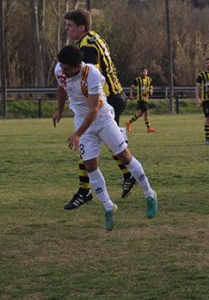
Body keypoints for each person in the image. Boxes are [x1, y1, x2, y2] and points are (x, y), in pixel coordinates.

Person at [52, 45, 157, 231]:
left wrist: (78, 134)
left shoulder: (91, 73)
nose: (63, 72)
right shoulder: (61, 70)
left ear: (78, 66)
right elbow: (61, 87)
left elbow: (93, 109)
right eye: (62, 67)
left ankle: (149, 193)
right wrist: (59, 110)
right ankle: (108, 207)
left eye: (67, 69)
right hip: (81, 122)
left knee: (124, 156)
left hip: (102, 118)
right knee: (90, 165)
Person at [62, 9, 137, 209]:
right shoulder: (94, 38)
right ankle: (126, 175)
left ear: (81, 27)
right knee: (105, 146)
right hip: (115, 94)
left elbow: (89, 74)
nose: (66, 29)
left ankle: (86, 191)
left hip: (107, 100)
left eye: (69, 26)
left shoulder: (87, 47)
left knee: (87, 146)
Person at [125, 67, 156, 133]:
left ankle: (129, 122)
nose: (143, 73)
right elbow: (132, 88)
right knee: (146, 112)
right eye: (142, 72)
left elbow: (151, 88)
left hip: (146, 99)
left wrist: (150, 92)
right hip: (140, 99)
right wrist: (131, 95)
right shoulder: (137, 80)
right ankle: (149, 128)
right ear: (140, 73)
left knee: (140, 114)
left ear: (147, 72)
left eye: (144, 71)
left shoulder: (149, 80)